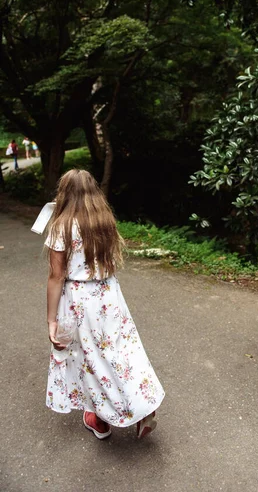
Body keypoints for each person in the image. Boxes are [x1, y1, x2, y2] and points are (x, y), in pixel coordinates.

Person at [45, 169, 165, 439]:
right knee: (122, 352)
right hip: (109, 294)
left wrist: (51, 319)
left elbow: (56, 276)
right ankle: (143, 408)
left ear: (63, 193)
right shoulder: (104, 220)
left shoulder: (61, 226)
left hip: (80, 300)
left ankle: (101, 420)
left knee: (90, 359)